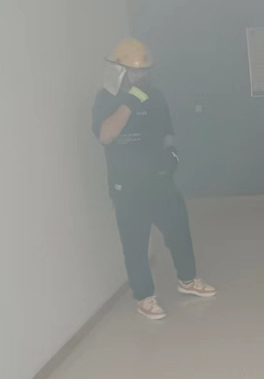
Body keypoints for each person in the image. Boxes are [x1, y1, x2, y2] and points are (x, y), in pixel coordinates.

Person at [92, 38, 216, 321]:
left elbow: (167, 130)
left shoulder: (155, 95)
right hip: (127, 185)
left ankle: (188, 280)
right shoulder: (105, 99)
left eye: (143, 71)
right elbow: (106, 135)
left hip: (159, 178)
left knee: (178, 230)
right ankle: (144, 297)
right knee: (135, 243)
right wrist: (130, 101)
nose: (140, 76)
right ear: (120, 69)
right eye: (134, 71)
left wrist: (171, 154)